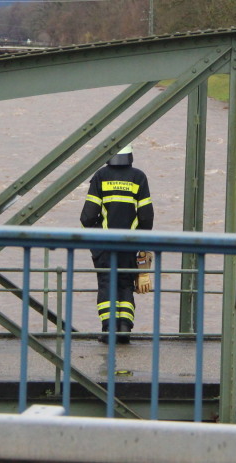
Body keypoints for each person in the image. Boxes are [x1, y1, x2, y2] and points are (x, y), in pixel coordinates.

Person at [80, 142, 154, 344]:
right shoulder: (139, 177)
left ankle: (108, 330)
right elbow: (146, 218)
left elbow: (87, 217)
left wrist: (98, 237)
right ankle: (124, 330)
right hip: (130, 245)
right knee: (125, 286)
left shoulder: (101, 176)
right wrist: (142, 248)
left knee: (107, 285)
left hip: (105, 245)